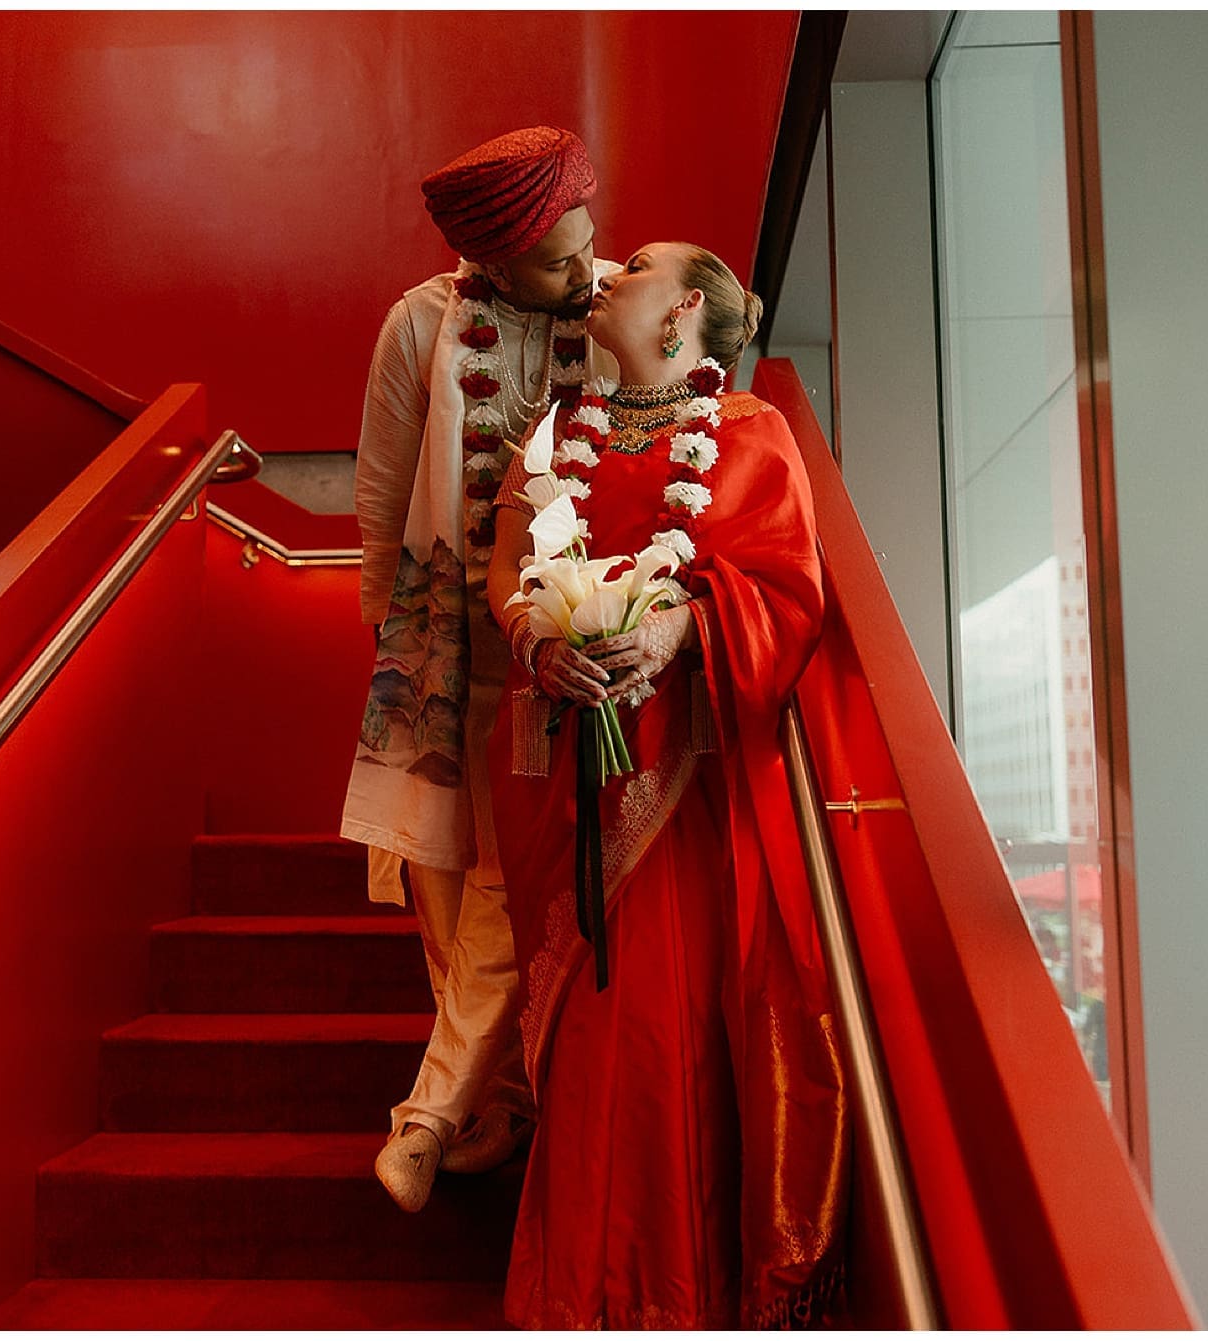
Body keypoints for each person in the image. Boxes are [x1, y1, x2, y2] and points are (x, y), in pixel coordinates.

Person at [484, 242, 849, 1327]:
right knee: (587, 1039)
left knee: (659, 1037)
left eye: (637, 263)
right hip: (570, 766)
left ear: (685, 307)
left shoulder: (748, 430)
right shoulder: (560, 431)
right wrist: (537, 639)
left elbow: (789, 590)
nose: (609, 268)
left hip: (685, 792)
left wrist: (681, 629)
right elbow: (508, 566)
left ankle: (671, 1301)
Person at [340, 126, 618, 1213]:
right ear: (491, 263)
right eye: (555, 261)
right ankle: (498, 1106)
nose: (584, 272)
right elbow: (382, 492)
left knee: (509, 886)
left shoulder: (615, 306)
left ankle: (433, 1116)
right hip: (446, 647)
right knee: (447, 887)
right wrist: (394, 649)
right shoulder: (420, 325)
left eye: (586, 242)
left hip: (561, 653)